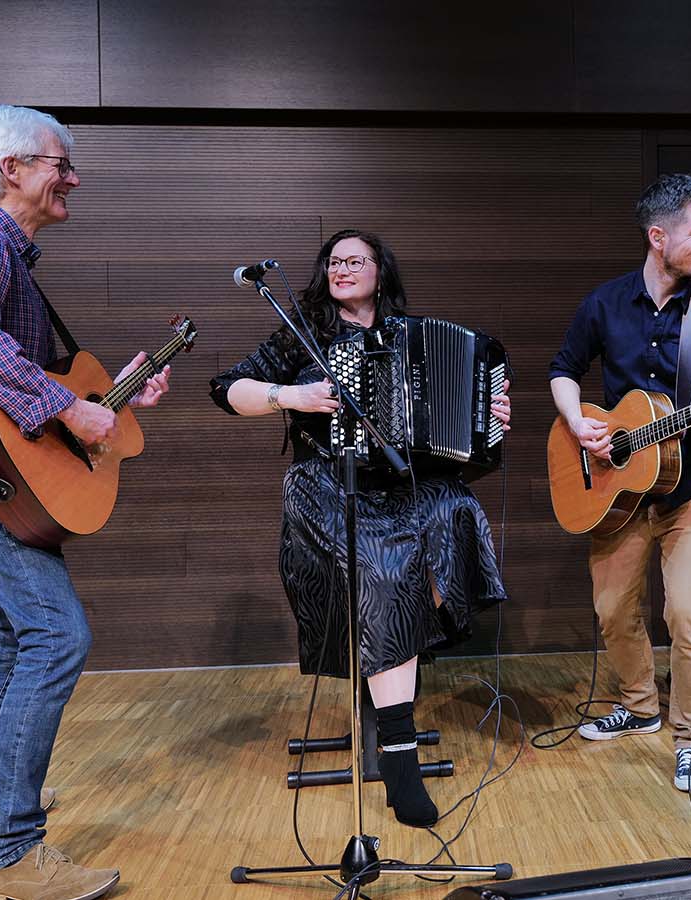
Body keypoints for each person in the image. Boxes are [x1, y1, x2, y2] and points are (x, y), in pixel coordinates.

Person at [0, 105, 170, 900]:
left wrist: (112, 398)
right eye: (62, 164)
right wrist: (70, 411)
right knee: (57, 636)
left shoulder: (3, 253)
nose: (73, 179)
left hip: (2, 482)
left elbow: (34, 382)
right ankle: (11, 854)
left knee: (16, 634)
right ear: (12, 168)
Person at [209, 228, 511, 827]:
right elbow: (228, 389)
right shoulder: (307, 333)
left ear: (380, 271)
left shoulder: (413, 335)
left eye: (355, 260)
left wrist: (491, 412)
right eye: (333, 261)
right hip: (327, 483)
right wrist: (291, 395)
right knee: (384, 567)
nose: (341, 269)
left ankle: (401, 689)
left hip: (402, 486)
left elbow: (474, 410)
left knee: (454, 512)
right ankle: (399, 754)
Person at [548, 174, 691, 793]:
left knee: (689, 613)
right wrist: (578, 421)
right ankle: (639, 706)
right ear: (658, 236)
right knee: (612, 610)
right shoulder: (605, 302)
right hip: (619, 485)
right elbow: (563, 369)